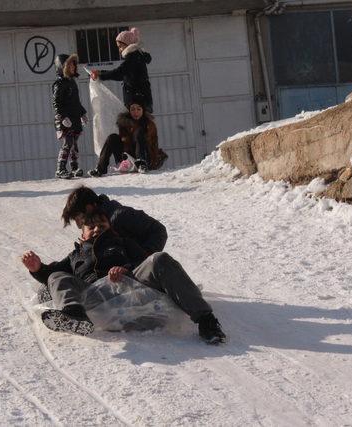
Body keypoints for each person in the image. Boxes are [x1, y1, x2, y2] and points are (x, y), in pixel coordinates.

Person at [22, 211, 227, 344]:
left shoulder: (122, 243)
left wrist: (126, 270)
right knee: (58, 275)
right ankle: (75, 316)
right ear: (82, 235)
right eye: (90, 227)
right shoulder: (75, 255)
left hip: (129, 289)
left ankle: (206, 321)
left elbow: (144, 263)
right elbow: (53, 278)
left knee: (159, 259)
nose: (96, 229)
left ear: (110, 228)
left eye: (101, 225)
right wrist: (37, 268)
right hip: (95, 296)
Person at [61, 185, 167, 255]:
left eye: (80, 216)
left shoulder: (120, 216)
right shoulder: (93, 225)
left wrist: (145, 255)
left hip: (136, 272)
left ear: (90, 206)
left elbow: (159, 230)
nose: (81, 223)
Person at [88, 97, 167, 177]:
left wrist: (153, 161)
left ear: (143, 111)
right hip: (127, 157)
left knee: (139, 132)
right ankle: (100, 169)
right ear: (129, 111)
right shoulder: (125, 123)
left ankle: (141, 163)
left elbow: (153, 145)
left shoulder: (149, 124)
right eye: (132, 109)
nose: (135, 112)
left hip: (146, 158)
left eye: (138, 109)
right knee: (112, 137)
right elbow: (124, 141)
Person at [90, 28, 153, 113]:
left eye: (120, 46)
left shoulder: (133, 57)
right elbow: (123, 75)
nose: (119, 50)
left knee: (134, 125)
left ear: (127, 44)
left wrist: (100, 75)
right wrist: (100, 73)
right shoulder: (137, 56)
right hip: (140, 99)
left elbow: (120, 73)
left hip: (137, 100)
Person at [52, 53, 87, 179]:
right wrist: (62, 117)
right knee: (68, 142)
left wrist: (82, 113)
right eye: (70, 65)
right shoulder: (59, 83)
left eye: (74, 65)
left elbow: (76, 102)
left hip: (75, 118)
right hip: (65, 120)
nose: (73, 67)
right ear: (63, 67)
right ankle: (60, 168)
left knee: (74, 144)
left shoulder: (72, 82)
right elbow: (56, 103)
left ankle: (74, 167)